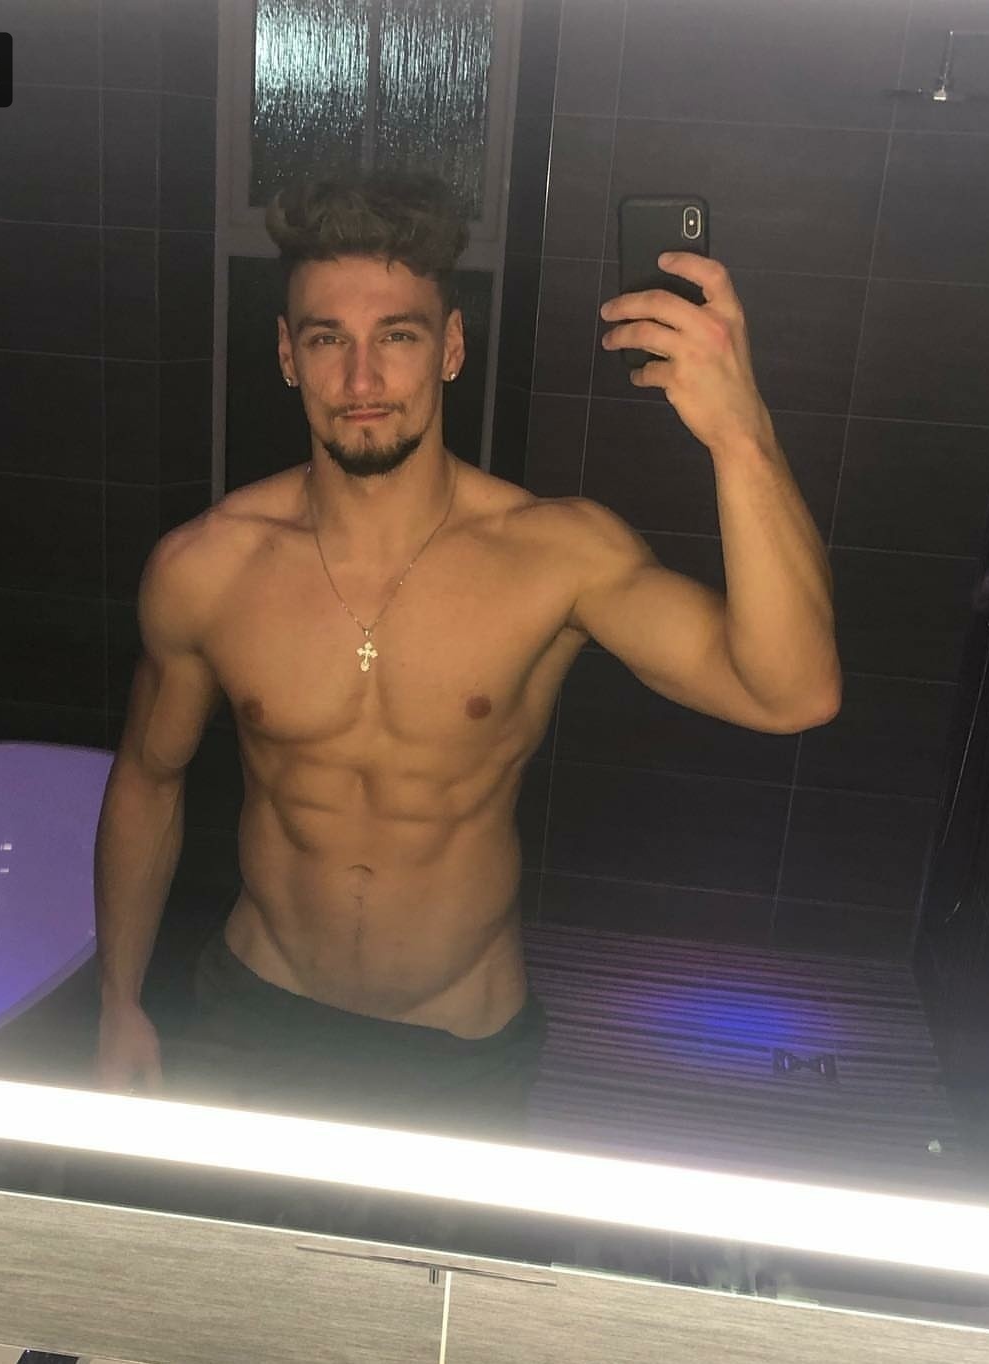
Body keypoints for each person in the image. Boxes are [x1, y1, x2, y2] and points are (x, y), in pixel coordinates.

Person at [92, 169, 840, 1239]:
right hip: (255, 1012)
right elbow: (148, 779)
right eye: (326, 340)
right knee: (233, 1303)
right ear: (286, 354)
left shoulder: (554, 555)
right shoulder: (206, 568)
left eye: (395, 337)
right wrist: (118, 1001)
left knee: (430, 1314)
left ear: (449, 347)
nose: (361, 378)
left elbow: (792, 691)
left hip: (457, 1045)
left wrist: (740, 433)